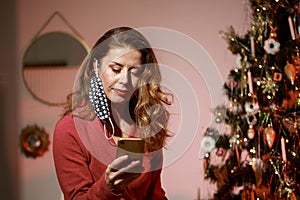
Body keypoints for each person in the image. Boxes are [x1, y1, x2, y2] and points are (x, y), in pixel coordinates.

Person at [53, 26, 172, 199]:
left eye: (134, 72)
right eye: (116, 69)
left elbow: (155, 195)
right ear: (96, 66)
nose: (124, 80)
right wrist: (108, 187)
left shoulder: (146, 124)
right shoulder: (70, 129)